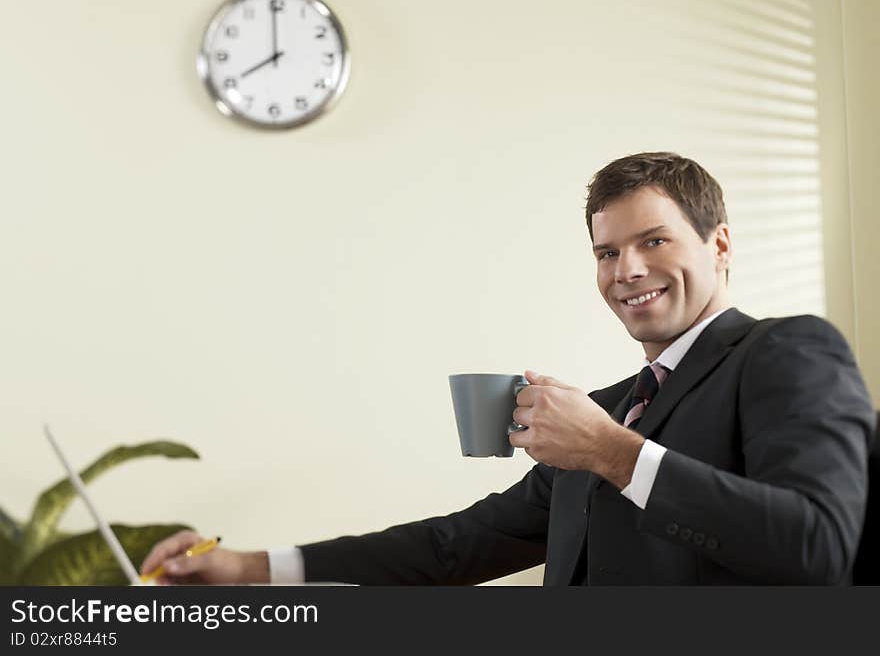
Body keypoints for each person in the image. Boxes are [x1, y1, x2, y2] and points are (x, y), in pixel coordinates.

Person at [141, 152, 875, 585]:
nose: (628, 269)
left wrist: (609, 451)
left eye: (654, 240)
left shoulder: (786, 351)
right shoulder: (611, 406)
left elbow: (818, 545)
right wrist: (253, 569)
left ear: (719, 244)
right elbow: (455, 545)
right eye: (607, 251)